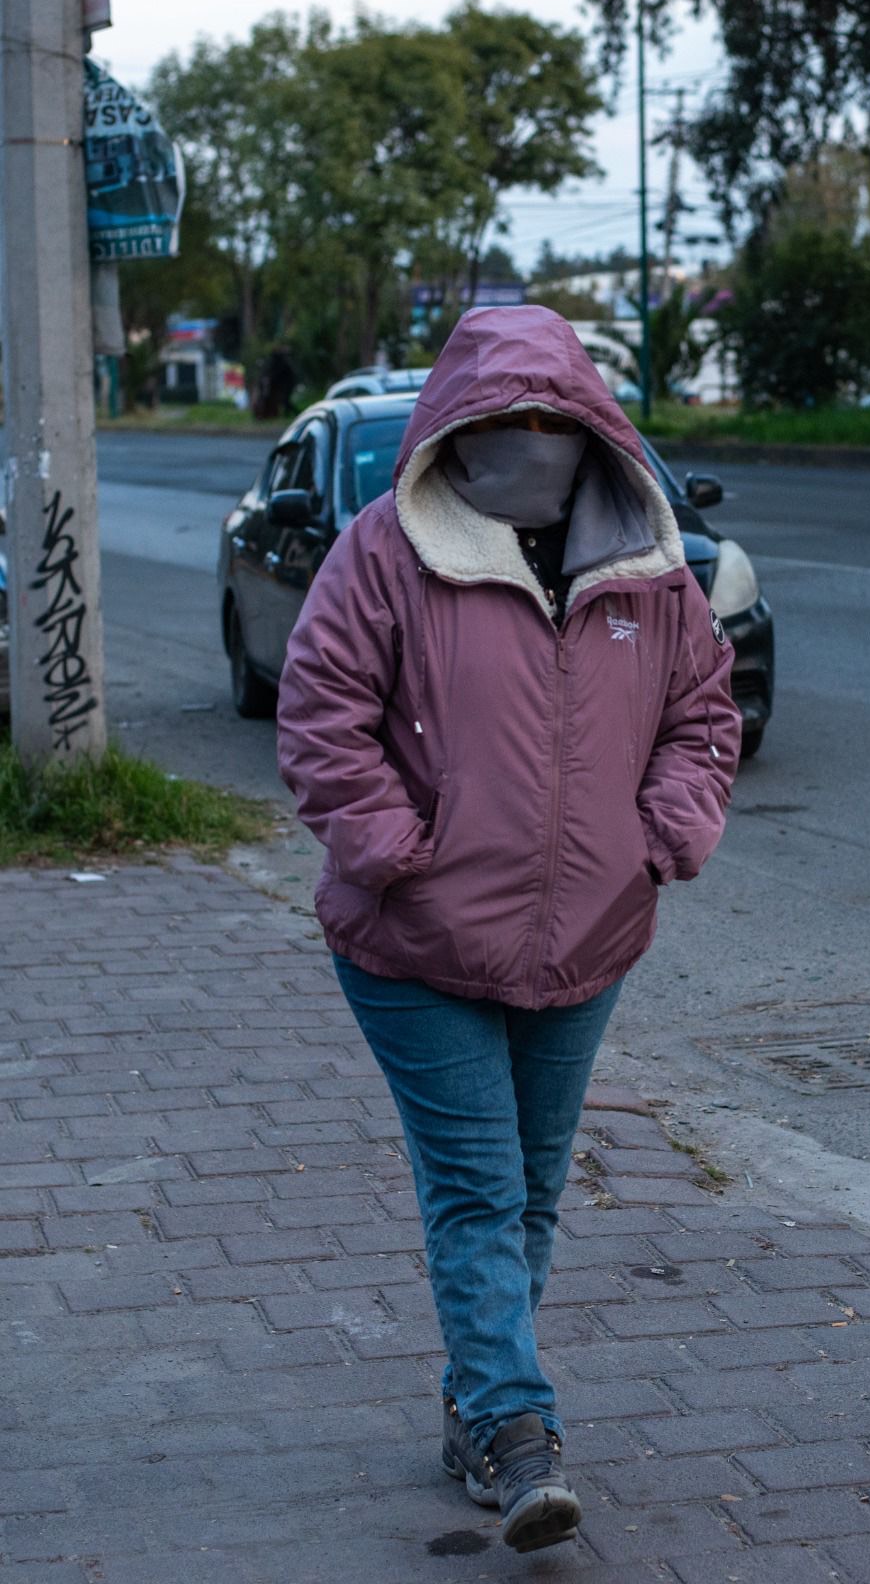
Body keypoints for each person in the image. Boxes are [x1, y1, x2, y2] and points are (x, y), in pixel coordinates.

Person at [276, 305, 740, 1553]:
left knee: (532, 1192)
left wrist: (663, 836)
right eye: (502, 421)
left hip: (587, 940)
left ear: (589, 422)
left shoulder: (645, 567)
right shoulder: (386, 551)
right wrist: (397, 854)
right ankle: (519, 1428)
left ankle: (472, 1404)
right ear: (458, 427)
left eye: (550, 418)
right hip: (413, 946)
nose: (527, 439)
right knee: (479, 1189)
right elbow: (319, 717)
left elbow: (704, 718)